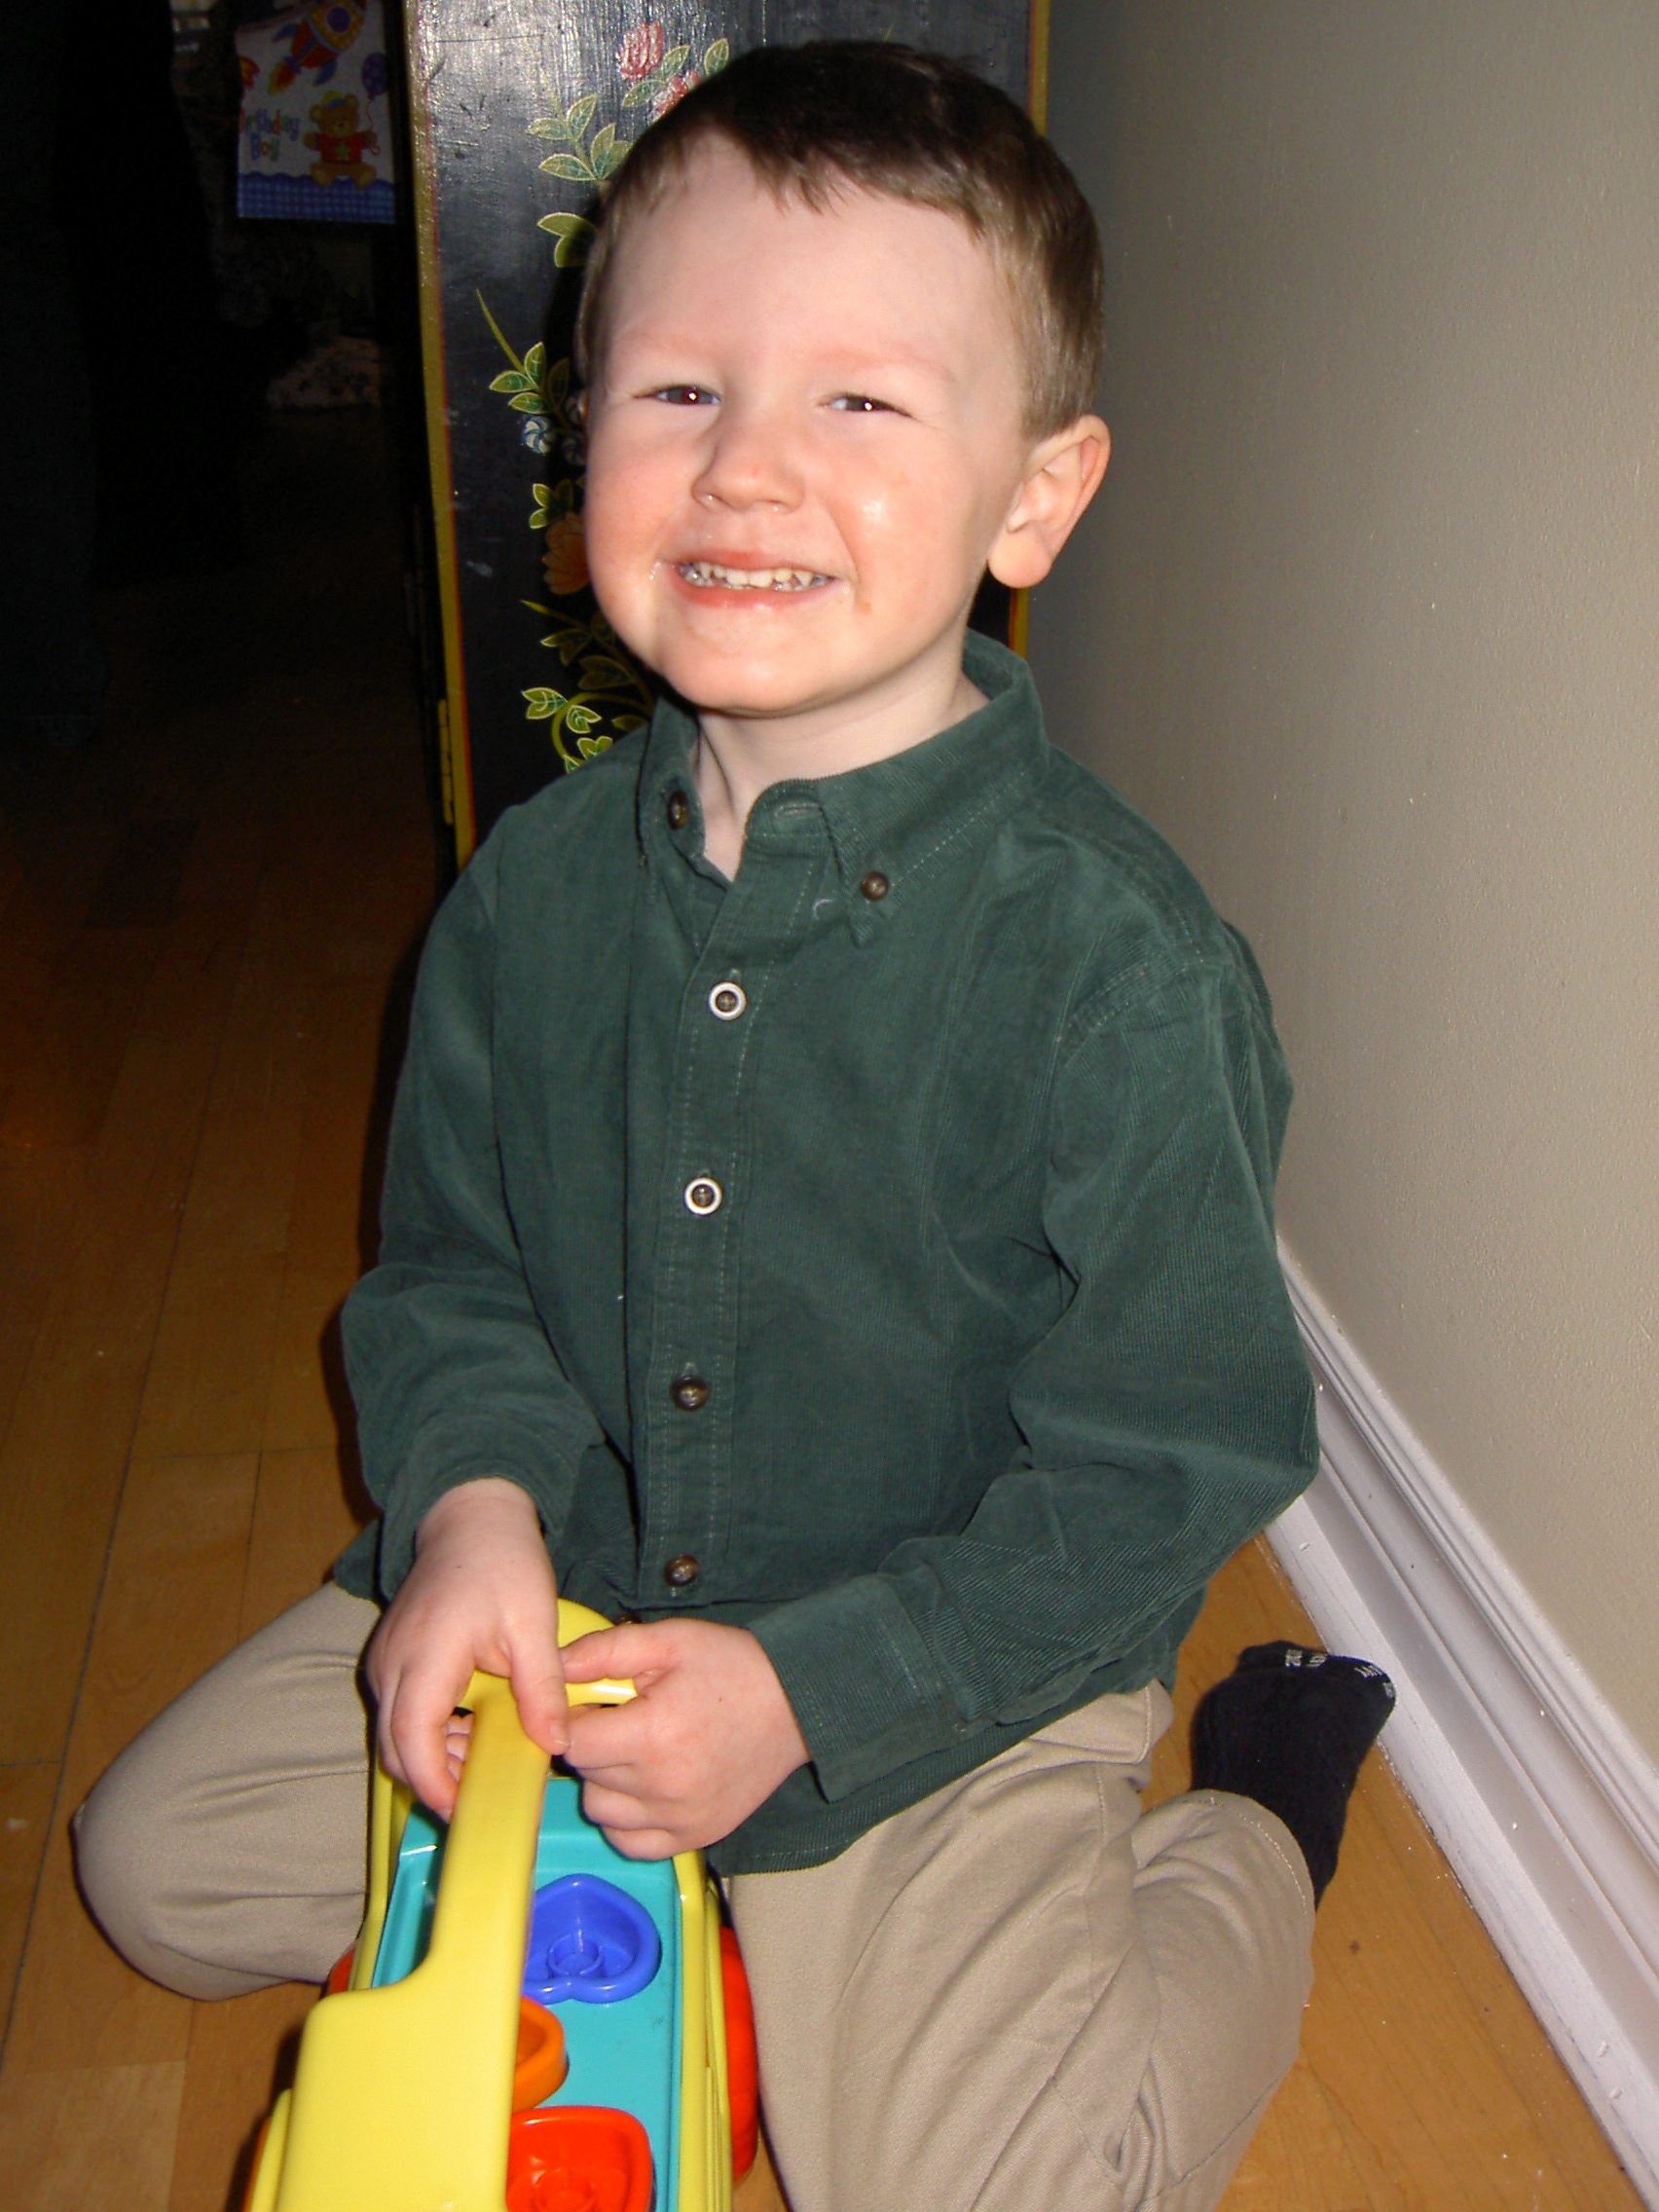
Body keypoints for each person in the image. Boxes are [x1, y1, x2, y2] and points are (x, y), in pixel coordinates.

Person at [76, 43, 1394, 2212]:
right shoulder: (525, 893)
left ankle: (1259, 1813)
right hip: (576, 1608)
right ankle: (713, 1926)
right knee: (157, 1862)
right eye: (678, 388)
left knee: (1006, 2194)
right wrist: (473, 1514)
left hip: (935, 1667)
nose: (746, 467)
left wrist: (808, 1691)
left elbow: (1172, 1457)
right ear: (581, 441)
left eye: (861, 400)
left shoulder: (1123, 971)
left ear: (1036, 496)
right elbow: (457, 1270)